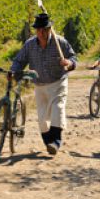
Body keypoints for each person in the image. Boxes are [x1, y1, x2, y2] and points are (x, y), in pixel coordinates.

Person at [11, 13, 77, 155]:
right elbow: (19, 61)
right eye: (39, 30)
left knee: (57, 109)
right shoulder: (30, 44)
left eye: (45, 29)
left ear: (49, 29)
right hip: (39, 85)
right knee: (42, 119)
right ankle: (48, 143)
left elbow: (73, 57)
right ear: (36, 30)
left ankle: (56, 142)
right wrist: (14, 72)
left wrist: (69, 63)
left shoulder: (60, 42)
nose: (42, 32)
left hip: (58, 82)